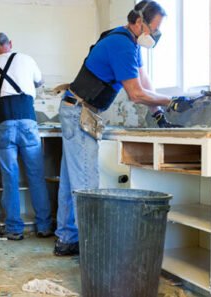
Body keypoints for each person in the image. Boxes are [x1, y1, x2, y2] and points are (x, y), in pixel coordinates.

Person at [54, 0, 196, 256]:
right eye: (155, 28)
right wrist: (172, 100)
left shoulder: (129, 43)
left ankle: (67, 239)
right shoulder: (121, 44)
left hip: (74, 109)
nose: (156, 35)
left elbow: (144, 81)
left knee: (70, 181)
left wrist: (160, 114)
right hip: (79, 112)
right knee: (87, 185)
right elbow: (136, 94)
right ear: (140, 22)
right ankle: (94, 252)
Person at [0, 33, 53, 241]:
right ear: (10, 45)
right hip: (28, 122)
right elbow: (40, 82)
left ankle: (13, 229)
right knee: (36, 176)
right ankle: (44, 226)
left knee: (10, 177)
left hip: (3, 124)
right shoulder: (26, 59)